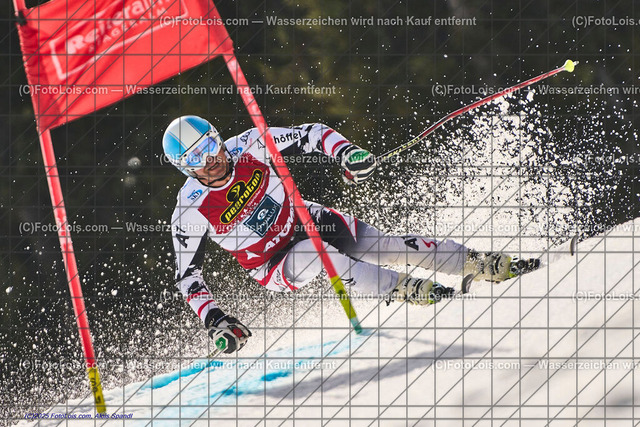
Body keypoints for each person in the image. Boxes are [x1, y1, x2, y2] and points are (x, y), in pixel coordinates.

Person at [164, 116, 536, 354]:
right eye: (196, 158)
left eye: (210, 146)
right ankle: (407, 289)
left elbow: (311, 134)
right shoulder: (190, 210)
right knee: (318, 254)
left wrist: (346, 153)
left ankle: (479, 263)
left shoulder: (249, 145)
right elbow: (187, 277)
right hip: (274, 264)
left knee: (383, 246)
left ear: (218, 138)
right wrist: (216, 320)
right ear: (185, 169)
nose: (210, 160)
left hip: (305, 219)